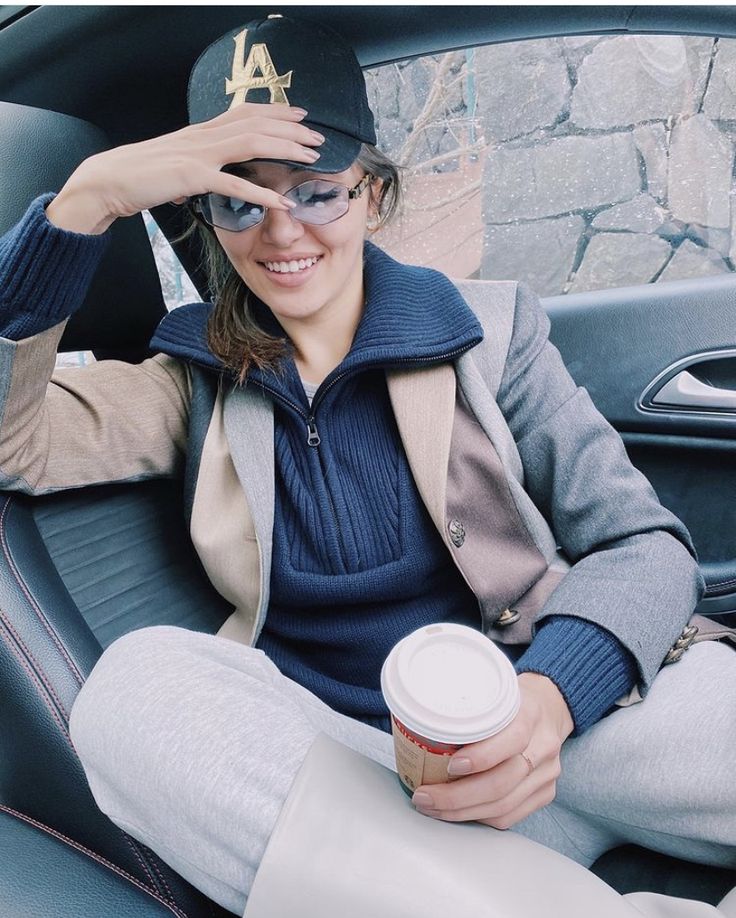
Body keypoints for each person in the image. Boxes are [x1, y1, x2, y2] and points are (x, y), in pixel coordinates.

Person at [0, 13, 734, 917]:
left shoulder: (492, 332)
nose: (281, 231)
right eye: (240, 201)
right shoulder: (186, 384)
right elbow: (10, 443)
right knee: (132, 694)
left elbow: (644, 545)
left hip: (557, 718)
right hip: (360, 779)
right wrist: (84, 205)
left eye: (316, 191)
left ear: (372, 196)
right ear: (210, 218)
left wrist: (550, 700)